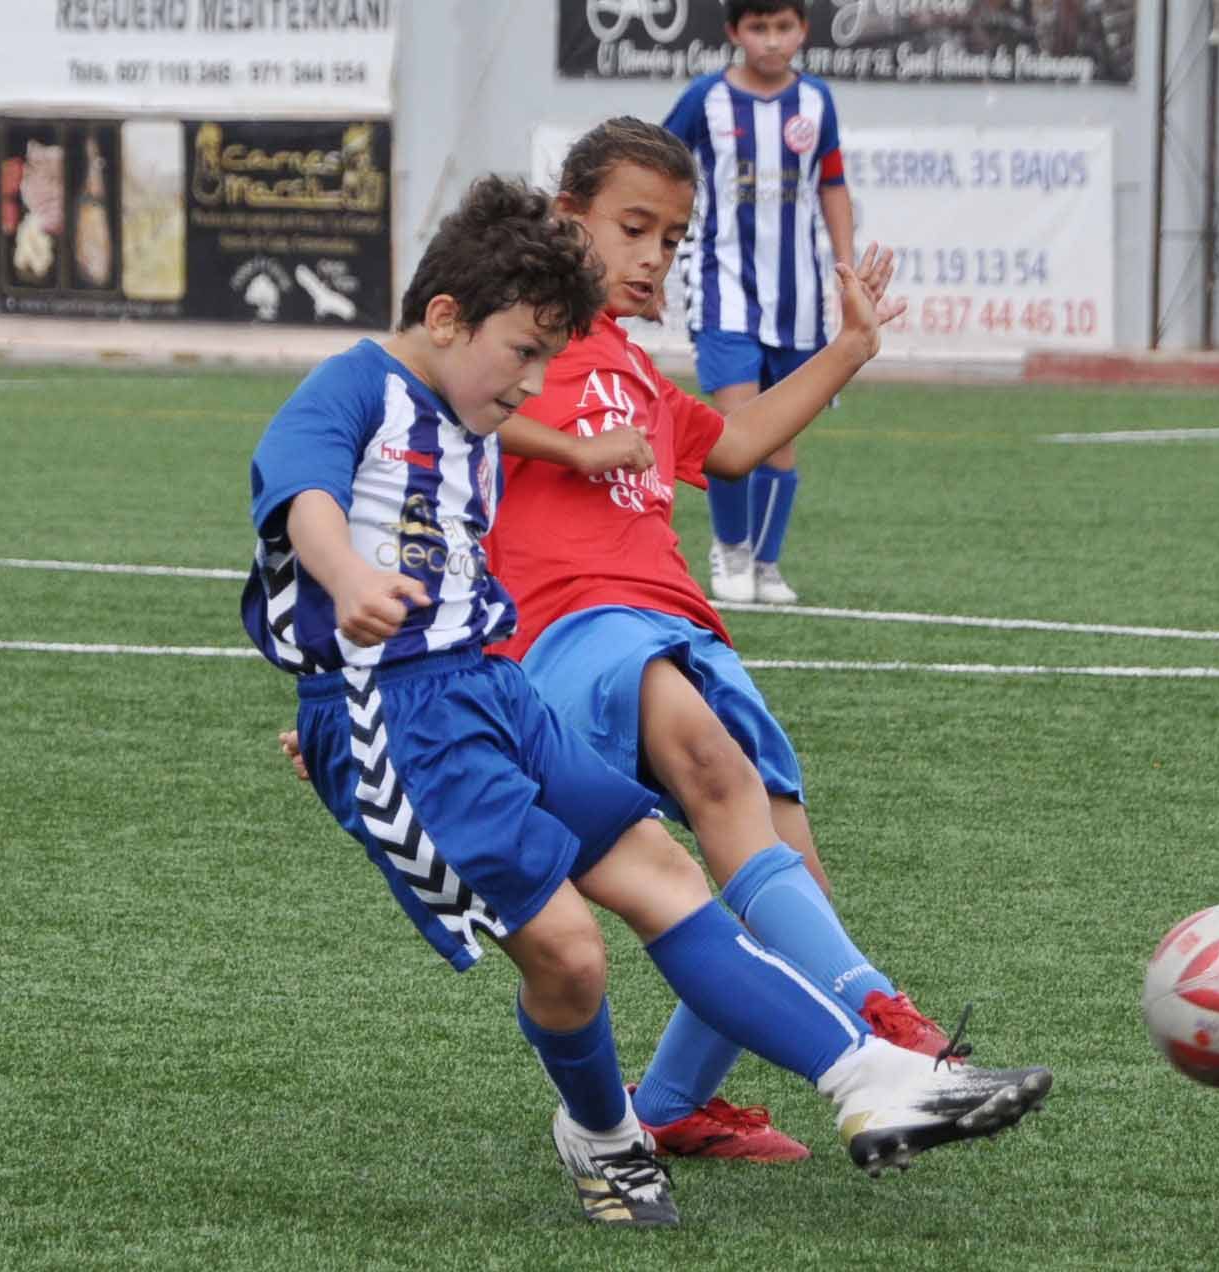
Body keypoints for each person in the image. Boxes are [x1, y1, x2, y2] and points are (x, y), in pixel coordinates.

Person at [243, 174, 1051, 1227]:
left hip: (493, 691)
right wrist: (346, 601)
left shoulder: (474, 406)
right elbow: (302, 492)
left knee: (668, 875)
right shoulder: (352, 388)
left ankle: (868, 1079)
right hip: (408, 722)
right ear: (444, 318)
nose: (535, 383)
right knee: (573, 953)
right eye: (525, 354)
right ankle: (603, 1133)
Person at [489, 117, 967, 1163]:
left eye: (670, 238)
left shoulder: (641, 379)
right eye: (631, 228)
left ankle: (671, 1107)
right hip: (575, 624)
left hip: (683, 626)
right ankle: (888, 1025)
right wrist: (572, 445)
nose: (652, 255)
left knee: (792, 881)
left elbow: (742, 443)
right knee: (710, 766)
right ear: (568, 217)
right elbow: (453, 402)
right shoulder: (525, 335)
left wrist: (851, 346)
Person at [663, 0, 854, 605]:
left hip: (795, 298)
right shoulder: (706, 99)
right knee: (735, 424)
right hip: (723, 290)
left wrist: (845, 270)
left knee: (781, 437)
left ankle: (768, 563)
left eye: (783, 27)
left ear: (802, 30)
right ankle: (731, 550)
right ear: (734, 33)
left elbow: (832, 183)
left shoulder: (817, 101)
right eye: (758, 28)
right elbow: (658, 168)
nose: (771, 41)